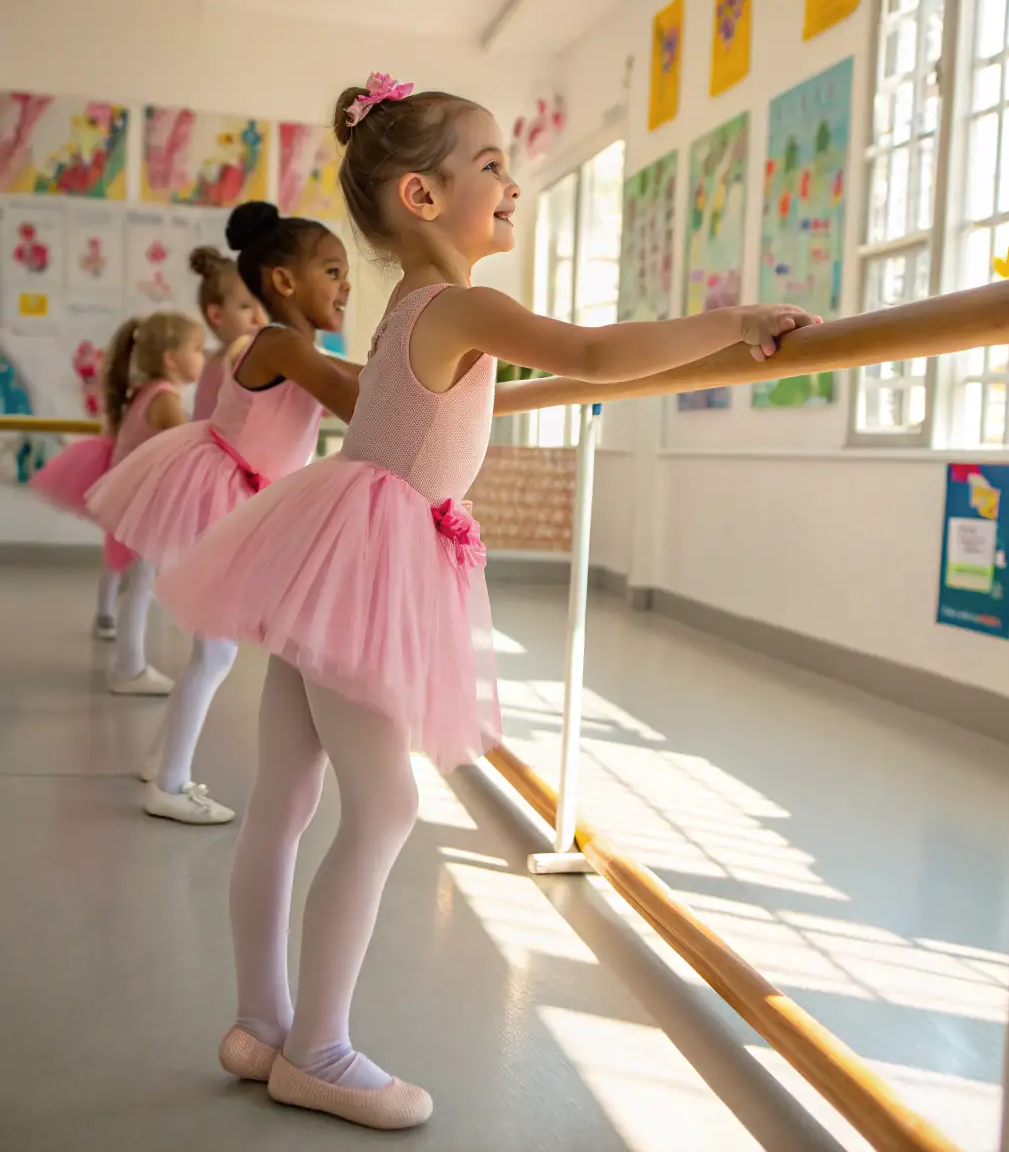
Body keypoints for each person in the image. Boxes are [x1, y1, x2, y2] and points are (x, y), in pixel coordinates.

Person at [155, 72, 820, 1130]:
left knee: (288, 793)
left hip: (331, 547)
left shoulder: (411, 307)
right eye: (493, 165)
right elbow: (597, 356)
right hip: (368, 557)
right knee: (384, 806)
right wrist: (732, 324)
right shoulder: (459, 301)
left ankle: (260, 1024)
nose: (514, 183)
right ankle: (317, 1049)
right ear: (422, 198)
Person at [87, 202, 361, 826]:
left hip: (245, 497)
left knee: (214, 653)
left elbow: (348, 376)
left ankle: (162, 761)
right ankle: (170, 783)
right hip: (225, 496)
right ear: (285, 282)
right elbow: (351, 392)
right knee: (215, 653)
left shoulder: (298, 346)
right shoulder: (280, 343)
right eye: (333, 271)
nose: (346, 287)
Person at [31, 312, 205, 692]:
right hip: (142, 502)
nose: (203, 357)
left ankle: (107, 621)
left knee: (127, 570)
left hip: (128, 496)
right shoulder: (165, 399)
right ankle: (129, 667)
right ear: (171, 359)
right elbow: (189, 445)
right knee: (141, 583)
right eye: (197, 349)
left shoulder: (144, 392)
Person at [189, 245, 268, 419]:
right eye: (245, 307)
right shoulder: (243, 354)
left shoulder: (212, 360)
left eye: (263, 305)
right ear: (216, 315)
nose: (260, 318)